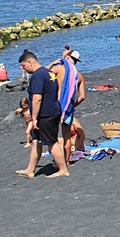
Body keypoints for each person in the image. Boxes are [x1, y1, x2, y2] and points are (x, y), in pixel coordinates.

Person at [15, 51, 69, 179]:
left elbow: (37, 98)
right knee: (36, 142)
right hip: (51, 111)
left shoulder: (38, 75)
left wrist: (34, 118)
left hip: (46, 114)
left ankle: (63, 169)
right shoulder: (48, 72)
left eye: (23, 66)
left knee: (52, 142)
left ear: (30, 62)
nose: (22, 69)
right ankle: (30, 170)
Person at [51, 50, 86, 166]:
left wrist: (51, 64)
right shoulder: (79, 75)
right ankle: (66, 162)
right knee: (66, 137)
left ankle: (58, 162)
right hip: (68, 109)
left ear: (67, 56)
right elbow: (82, 97)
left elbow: (44, 76)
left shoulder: (59, 68)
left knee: (54, 137)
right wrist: (72, 105)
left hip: (56, 106)